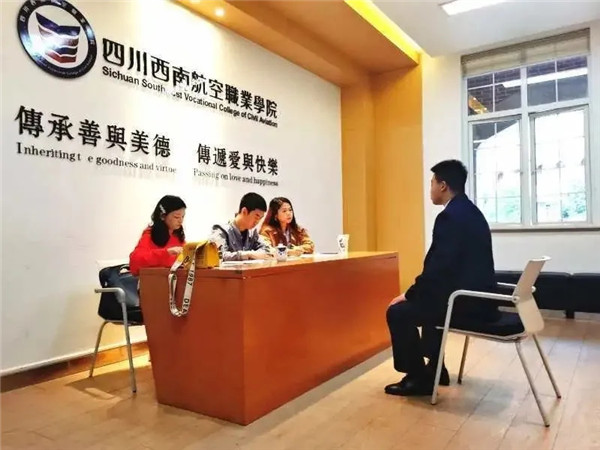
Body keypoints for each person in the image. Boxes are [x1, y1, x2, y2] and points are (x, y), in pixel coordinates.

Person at [384, 159, 499, 396]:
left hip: (467, 304)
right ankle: (436, 368)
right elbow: (445, 269)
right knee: (431, 299)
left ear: (443, 185)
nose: (431, 189)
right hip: (479, 299)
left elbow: (439, 269)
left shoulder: (450, 217)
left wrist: (409, 294)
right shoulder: (471, 212)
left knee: (398, 311)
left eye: (432, 184)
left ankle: (417, 378)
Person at [129, 195, 186, 276]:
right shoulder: (150, 235)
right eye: (176, 217)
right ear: (162, 216)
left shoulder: (177, 236)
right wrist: (166, 253)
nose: (181, 221)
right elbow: (135, 262)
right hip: (153, 280)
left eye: (183, 217)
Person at [211, 192, 273, 261]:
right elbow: (218, 255)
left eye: (260, 218)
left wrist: (254, 254)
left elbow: (267, 250)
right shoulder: (221, 230)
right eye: (256, 217)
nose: (257, 222)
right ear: (244, 211)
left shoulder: (252, 234)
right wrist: (247, 255)